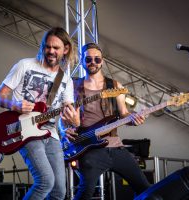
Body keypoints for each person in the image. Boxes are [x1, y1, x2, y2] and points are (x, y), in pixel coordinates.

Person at [0, 27, 80, 200]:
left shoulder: (66, 80)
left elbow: (68, 112)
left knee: (58, 192)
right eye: (48, 47)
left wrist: (75, 121)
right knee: (45, 181)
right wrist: (15, 106)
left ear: (66, 49)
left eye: (56, 48)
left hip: (51, 134)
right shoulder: (25, 65)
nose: (51, 51)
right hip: (25, 130)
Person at [63, 43, 151, 199]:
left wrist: (133, 120)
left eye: (97, 59)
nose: (93, 63)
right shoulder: (73, 85)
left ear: (102, 61)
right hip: (89, 148)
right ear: (82, 61)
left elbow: (124, 114)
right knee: (85, 192)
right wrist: (64, 130)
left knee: (144, 188)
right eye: (88, 59)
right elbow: (63, 115)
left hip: (115, 146)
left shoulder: (115, 86)